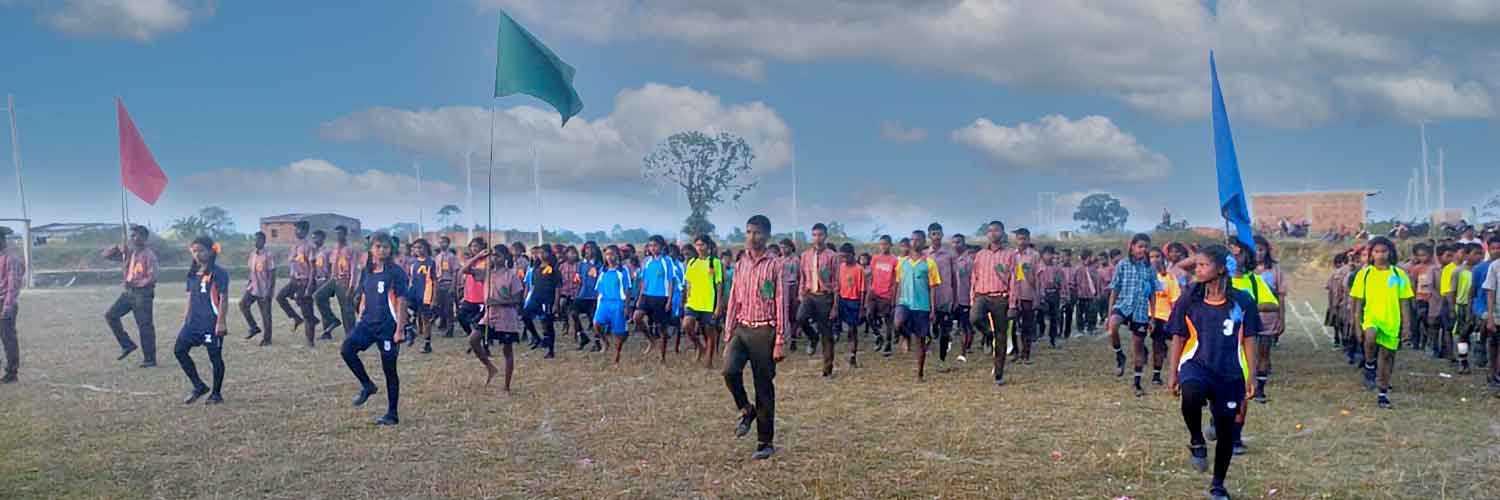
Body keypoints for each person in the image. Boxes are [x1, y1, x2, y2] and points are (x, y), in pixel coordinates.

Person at [1164, 244, 1260, 500]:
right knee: (1191, 392)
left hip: (1229, 371)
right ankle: (1197, 440)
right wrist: (1173, 373)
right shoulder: (1190, 296)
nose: (1198, 269)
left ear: (1220, 269)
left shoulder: (1243, 301)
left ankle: (1218, 485)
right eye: (1197, 265)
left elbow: (1250, 338)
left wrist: (1252, 375)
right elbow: (1178, 335)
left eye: (1204, 265)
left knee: (1226, 430)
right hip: (1196, 363)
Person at [722, 215, 789, 460]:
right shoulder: (741, 263)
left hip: (765, 331)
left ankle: (765, 442)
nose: (752, 237)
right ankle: (745, 409)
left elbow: (781, 302)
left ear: (767, 235)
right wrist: (729, 333)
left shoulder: (776, 265)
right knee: (729, 371)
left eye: (757, 232)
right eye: (749, 232)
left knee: (763, 387)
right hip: (742, 328)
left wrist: (780, 339)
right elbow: (733, 300)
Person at [341, 233, 409, 426]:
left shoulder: (396, 272)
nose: (382, 250)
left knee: (389, 370)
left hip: (388, 327)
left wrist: (400, 329)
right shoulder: (367, 271)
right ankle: (367, 385)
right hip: (367, 323)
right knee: (347, 349)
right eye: (378, 246)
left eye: (386, 247)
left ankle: (392, 414)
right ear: (371, 248)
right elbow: (364, 294)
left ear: (391, 250)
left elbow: (402, 300)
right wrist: (359, 315)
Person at [1351, 236, 1413, 409]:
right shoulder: (1365, 274)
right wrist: (1356, 325)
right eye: (1376, 252)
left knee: (1387, 358)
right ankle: (1369, 364)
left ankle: (1382, 393)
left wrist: (1406, 326)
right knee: (1370, 337)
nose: (1380, 255)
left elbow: (1404, 301)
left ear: (1390, 253)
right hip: (1371, 318)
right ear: (1371, 254)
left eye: (1384, 251)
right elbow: (1357, 302)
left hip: (1392, 321)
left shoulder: (1398, 274)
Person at [174, 236, 230, 405]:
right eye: (194, 251)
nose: (197, 254)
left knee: (215, 357)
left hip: (210, 323)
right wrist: (186, 317)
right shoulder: (192, 273)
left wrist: (221, 322)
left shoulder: (219, 273)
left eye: (201, 251)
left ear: (211, 251)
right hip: (193, 323)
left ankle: (216, 393)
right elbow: (190, 296)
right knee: (179, 350)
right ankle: (199, 386)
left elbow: (223, 298)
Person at [102, 225, 160, 366]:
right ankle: (127, 345)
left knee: (144, 326)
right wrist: (117, 247)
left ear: (144, 238)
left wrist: (137, 284)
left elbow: (152, 277)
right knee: (111, 315)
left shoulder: (149, 255)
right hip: (128, 292)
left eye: (136, 235)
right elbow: (106, 255)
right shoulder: (129, 253)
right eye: (131, 235)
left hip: (142, 293)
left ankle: (150, 359)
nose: (133, 238)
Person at [1107, 234, 1158, 387]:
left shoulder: (1149, 269)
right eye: (1140, 246)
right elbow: (1114, 290)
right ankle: (1119, 355)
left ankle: (1137, 382)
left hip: (1141, 310)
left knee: (1138, 346)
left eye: (1146, 247)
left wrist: (1152, 317)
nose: (1144, 249)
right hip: (1123, 305)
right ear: (1132, 246)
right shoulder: (1122, 265)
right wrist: (1109, 314)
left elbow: (1152, 294)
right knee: (1113, 326)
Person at [471, 244, 523, 391]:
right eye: (492, 255)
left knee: (507, 351)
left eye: (498, 255)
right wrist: (479, 256)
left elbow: (517, 300)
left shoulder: (511, 275)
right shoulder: (487, 273)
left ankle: (506, 386)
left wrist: (498, 302)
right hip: (490, 316)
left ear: (506, 257)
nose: (494, 257)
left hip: (507, 318)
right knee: (473, 339)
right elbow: (465, 270)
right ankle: (490, 368)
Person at [970, 221, 1012, 385]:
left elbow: (1014, 280)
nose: (992, 233)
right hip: (982, 295)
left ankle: (999, 373)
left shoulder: (1010, 254)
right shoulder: (980, 254)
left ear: (1002, 232)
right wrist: (972, 297)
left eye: (996, 230)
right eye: (989, 231)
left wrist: (1013, 303)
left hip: (1001, 297)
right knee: (974, 318)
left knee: (1001, 336)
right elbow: (974, 277)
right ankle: (988, 335)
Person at [896, 233, 943, 380]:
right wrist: (897, 302)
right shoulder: (902, 262)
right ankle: (905, 336)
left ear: (924, 242)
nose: (915, 242)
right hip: (904, 303)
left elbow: (933, 288)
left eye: (918, 240)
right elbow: (898, 283)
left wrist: (933, 309)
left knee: (921, 340)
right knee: (898, 323)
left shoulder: (929, 263)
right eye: (913, 239)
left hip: (922, 306)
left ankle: (920, 372)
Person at [798, 223, 841, 377]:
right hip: (809, 295)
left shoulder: (833, 256)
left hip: (825, 297)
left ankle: (827, 369)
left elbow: (836, 282)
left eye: (820, 235)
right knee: (800, 318)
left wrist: (835, 305)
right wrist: (801, 294)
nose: (817, 238)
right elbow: (802, 277)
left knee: (826, 333)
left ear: (825, 236)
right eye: (815, 235)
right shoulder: (805, 255)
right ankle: (812, 337)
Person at [1252, 235, 1287, 403]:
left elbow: (1280, 295)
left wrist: (1282, 318)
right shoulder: (1244, 270)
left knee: (1264, 351)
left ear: (1266, 251)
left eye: (1261, 249)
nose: (1258, 253)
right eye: (1254, 249)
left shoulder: (1274, 269)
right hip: (1248, 316)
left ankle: (1260, 388)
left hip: (1268, 317)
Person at [276, 221, 320, 347]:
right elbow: (293, 264)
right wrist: (291, 278)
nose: (296, 231)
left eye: (299, 229)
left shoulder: (309, 246)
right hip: (295, 281)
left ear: (305, 231)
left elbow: (313, 268)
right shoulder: (295, 246)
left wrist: (310, 287)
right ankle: (296, 318)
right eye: (296, 229)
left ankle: (310, 341)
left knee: (307, 311)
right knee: (280, 297)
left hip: (305, 281)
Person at [632, 236, 675, 361]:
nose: (652, 248)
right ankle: (651, 340)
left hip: (661, 297)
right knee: (637, 317)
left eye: (655, 245)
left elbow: (671, 281)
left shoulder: (667, 261)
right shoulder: (646, 261)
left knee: (661, 328)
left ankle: (663, 356)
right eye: (650, 246)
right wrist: (640, 297)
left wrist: (669, 300)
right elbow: (644, 280)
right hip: (647, 295)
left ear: (662, 247)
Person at [684, 235, 723, 368]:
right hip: (693, 302)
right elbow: (688, 282)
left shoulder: (715, 262)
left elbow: (719, 285)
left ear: (708, 246)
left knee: (709, 332)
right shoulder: (692, 262)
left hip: (708, 303)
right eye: (697, 245)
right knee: (687, 325)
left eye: (702, 245)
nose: (700, 248)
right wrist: (687, 298)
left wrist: (718, 306)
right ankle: (699, 346)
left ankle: (709, 359)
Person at [925, 223, 959, 369]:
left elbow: (954, 277)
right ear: (929, 236)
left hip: (945, 297)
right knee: (930, 328)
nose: (936, 236)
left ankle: (942, 359)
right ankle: (929, 348)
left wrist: (956, 298)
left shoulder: (949, 255)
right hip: (928, 299)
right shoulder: (925, 255)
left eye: (938, 233)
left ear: (942, 235)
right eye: (933, 234)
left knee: (946, 330)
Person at [314, 226, 357, 339]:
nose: (338, 236)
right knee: (318, 297)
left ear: (345, 235)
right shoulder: (334, 249)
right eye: (337, 234)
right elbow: (332, 265)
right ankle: (333, 320)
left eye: (341, 234)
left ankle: (350, 335)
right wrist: (329, 280)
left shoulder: (350, 249)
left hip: (345, 282)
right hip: (334, 280)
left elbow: (353, 269)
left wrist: (351, 286)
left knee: (347, 309)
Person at [1147, 247, 1181, 389]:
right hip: (1151, 316)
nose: (1154, 259)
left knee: (1170, 346)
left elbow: (1174, 300)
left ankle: (1175, 373)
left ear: (1163, 258)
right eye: (1151, 257)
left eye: (1157, 256)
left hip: (1166, 317)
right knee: (1156, 346)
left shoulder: (1169, 278)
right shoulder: (1145, 276)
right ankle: (1156, 374)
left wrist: (1175, 320)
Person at [1007, 228, 1042, 364]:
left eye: (1024, 238)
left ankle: (1025, 354)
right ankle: (1014, 352)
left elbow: (1038, 277)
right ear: (1015, 240)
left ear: (1028, 239)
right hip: (1013, 297)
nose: (1021, 241)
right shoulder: (1011, 255)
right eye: (1019, 238)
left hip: (1028, 295)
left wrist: (1038, 296)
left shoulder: (1034, 255)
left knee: (1027, 326)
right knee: (1012, 326)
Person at [594, 245, 633, 365]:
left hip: (618, 303)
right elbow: (599, 289)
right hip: (605, 302)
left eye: (612, 254)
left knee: (618, 332)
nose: (609, 257)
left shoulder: (623, 270)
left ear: (617, 255)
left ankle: (617, 356)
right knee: (596, 324)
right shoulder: (603, 270)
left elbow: (627, 289)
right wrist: (598, 304)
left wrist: (626, 307)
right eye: (607, 254)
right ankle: (605, 342)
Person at [524, 245, 561, 359]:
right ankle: (536, 337)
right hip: (536, 298)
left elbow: (557, 287)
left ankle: (551, 349)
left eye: (544, 252)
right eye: (539, 253)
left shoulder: (553, 269)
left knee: (548, 324)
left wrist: (556, 303)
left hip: (548, 300)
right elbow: (533, 285)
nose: (541, 255)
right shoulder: (536, 268)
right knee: (525, 316)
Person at [241, 231, 276, 345]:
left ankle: (267, 339)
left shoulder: (268, 255)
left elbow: (272, 274)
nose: (256, 242)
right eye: (255, 239)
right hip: (253, 287)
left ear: (264, 241)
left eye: (259, 240)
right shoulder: (252, 255)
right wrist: (248, 284)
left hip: (264, 289)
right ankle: (254, 327)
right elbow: (251, 271)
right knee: (243, 304)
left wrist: (269, 291)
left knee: (266, 315)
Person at [835, 242, 866, 368]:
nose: (844, 259)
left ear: (853, 255)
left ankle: (853, 355)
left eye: (846, 256)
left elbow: (863, 290)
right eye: (842, 257)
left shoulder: (859, 269)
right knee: (835, 325)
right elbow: (838, 285)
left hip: (854, 301)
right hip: (842, 299)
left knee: (853, 330)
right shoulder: (841, 267)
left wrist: (862, 307)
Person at [0, 226, 24, 383]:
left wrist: (7, 307)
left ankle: (11, 373)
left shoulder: (11, 259)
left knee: (8, 338)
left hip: (4, 302)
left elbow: (13, 286)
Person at [405, 239, 437, 353]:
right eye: (415, 248)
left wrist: (434, 298)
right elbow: (410, 278)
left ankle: (427, 343)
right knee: (404, 311)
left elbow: (434, 281)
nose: (418, 250)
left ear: (426, 248)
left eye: (420, 247)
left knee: (425, 319)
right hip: (413, 292)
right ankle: (410, 330)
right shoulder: (412, 262)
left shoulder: (431, 262)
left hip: (425, 293)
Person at [868, 235, 899, 354]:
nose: (883, 246)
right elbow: (871, 275)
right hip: (874, 293)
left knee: (888, 321)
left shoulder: (894, 260)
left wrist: (893, 295)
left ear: (890, 245)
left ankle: (888, 343)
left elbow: (896, 279)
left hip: (887, 294)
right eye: (881, 244)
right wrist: (870, 288)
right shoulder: (875, 258)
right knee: (869, 315)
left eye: (885, 244)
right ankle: (877, 336)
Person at [456, 238, 489, 344]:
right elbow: (463, 270)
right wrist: (476, 257)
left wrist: (480, 256)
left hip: (482, 297)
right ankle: (472, 337)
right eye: (472, 246)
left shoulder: (487, 261)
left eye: (476, 246)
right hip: (469, 297)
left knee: (479, 322)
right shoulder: (471, 261)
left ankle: (483, 344)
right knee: (461, 316)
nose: (474, 248)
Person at [573, 242, 602, 351]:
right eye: (586, 248)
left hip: (594, 296)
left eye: (591, 248)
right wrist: (577, 293)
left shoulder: (599, 264)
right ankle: (582, 336)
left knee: (593, 319)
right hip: (582, 294)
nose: (588, 251)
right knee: (573, 313)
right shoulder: (580, 264)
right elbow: (578, 281)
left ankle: (597, 341)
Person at [1037, 246, 1067, 350]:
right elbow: (1037, 283)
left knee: (1054, 317)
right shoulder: (1038, 268)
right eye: (1047, 254)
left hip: (1054, 294)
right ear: (1042, 255)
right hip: (1042, 295)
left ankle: (1053, 339)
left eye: (1051, 254)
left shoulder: (1057, 269)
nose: (1049, 256)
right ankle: (1039, 334)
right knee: (1039, 316)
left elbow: (1062, 283)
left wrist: (1063, 295)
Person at [953, 236, 976, 360]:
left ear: (964, 243)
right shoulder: (952, 259)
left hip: (965, 298)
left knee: (965, 326)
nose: (956, 245)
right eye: (954, 242)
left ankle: (964, 351)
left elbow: (974, 280)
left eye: (958, 242)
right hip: (952, 298)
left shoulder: (969, 260)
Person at [433, 236, 461, 338]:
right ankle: (443, 326)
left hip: (448, 283)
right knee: (441, 307)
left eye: (444, 242)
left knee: (449, 309)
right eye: (440, 242)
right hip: (439, 284)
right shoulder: (437, 257)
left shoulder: (452, 257)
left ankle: (450, 330)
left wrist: (453, 287)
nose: (441, 244)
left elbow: (455, 273)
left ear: (448, 243)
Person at [1073, 249, 1100, 335]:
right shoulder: (1078, 268)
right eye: (1091, 256)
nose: (1092, 258)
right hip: (1081, 295)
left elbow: (1097, 282)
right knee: (1080, 313)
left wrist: (1097, 293)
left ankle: (1090, 328)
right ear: (1088, 257)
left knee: (1092, 312)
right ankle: (1080, 329)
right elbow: (1074, 282)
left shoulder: (1093, 269)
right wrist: (1075, 293)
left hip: (1091, 295)